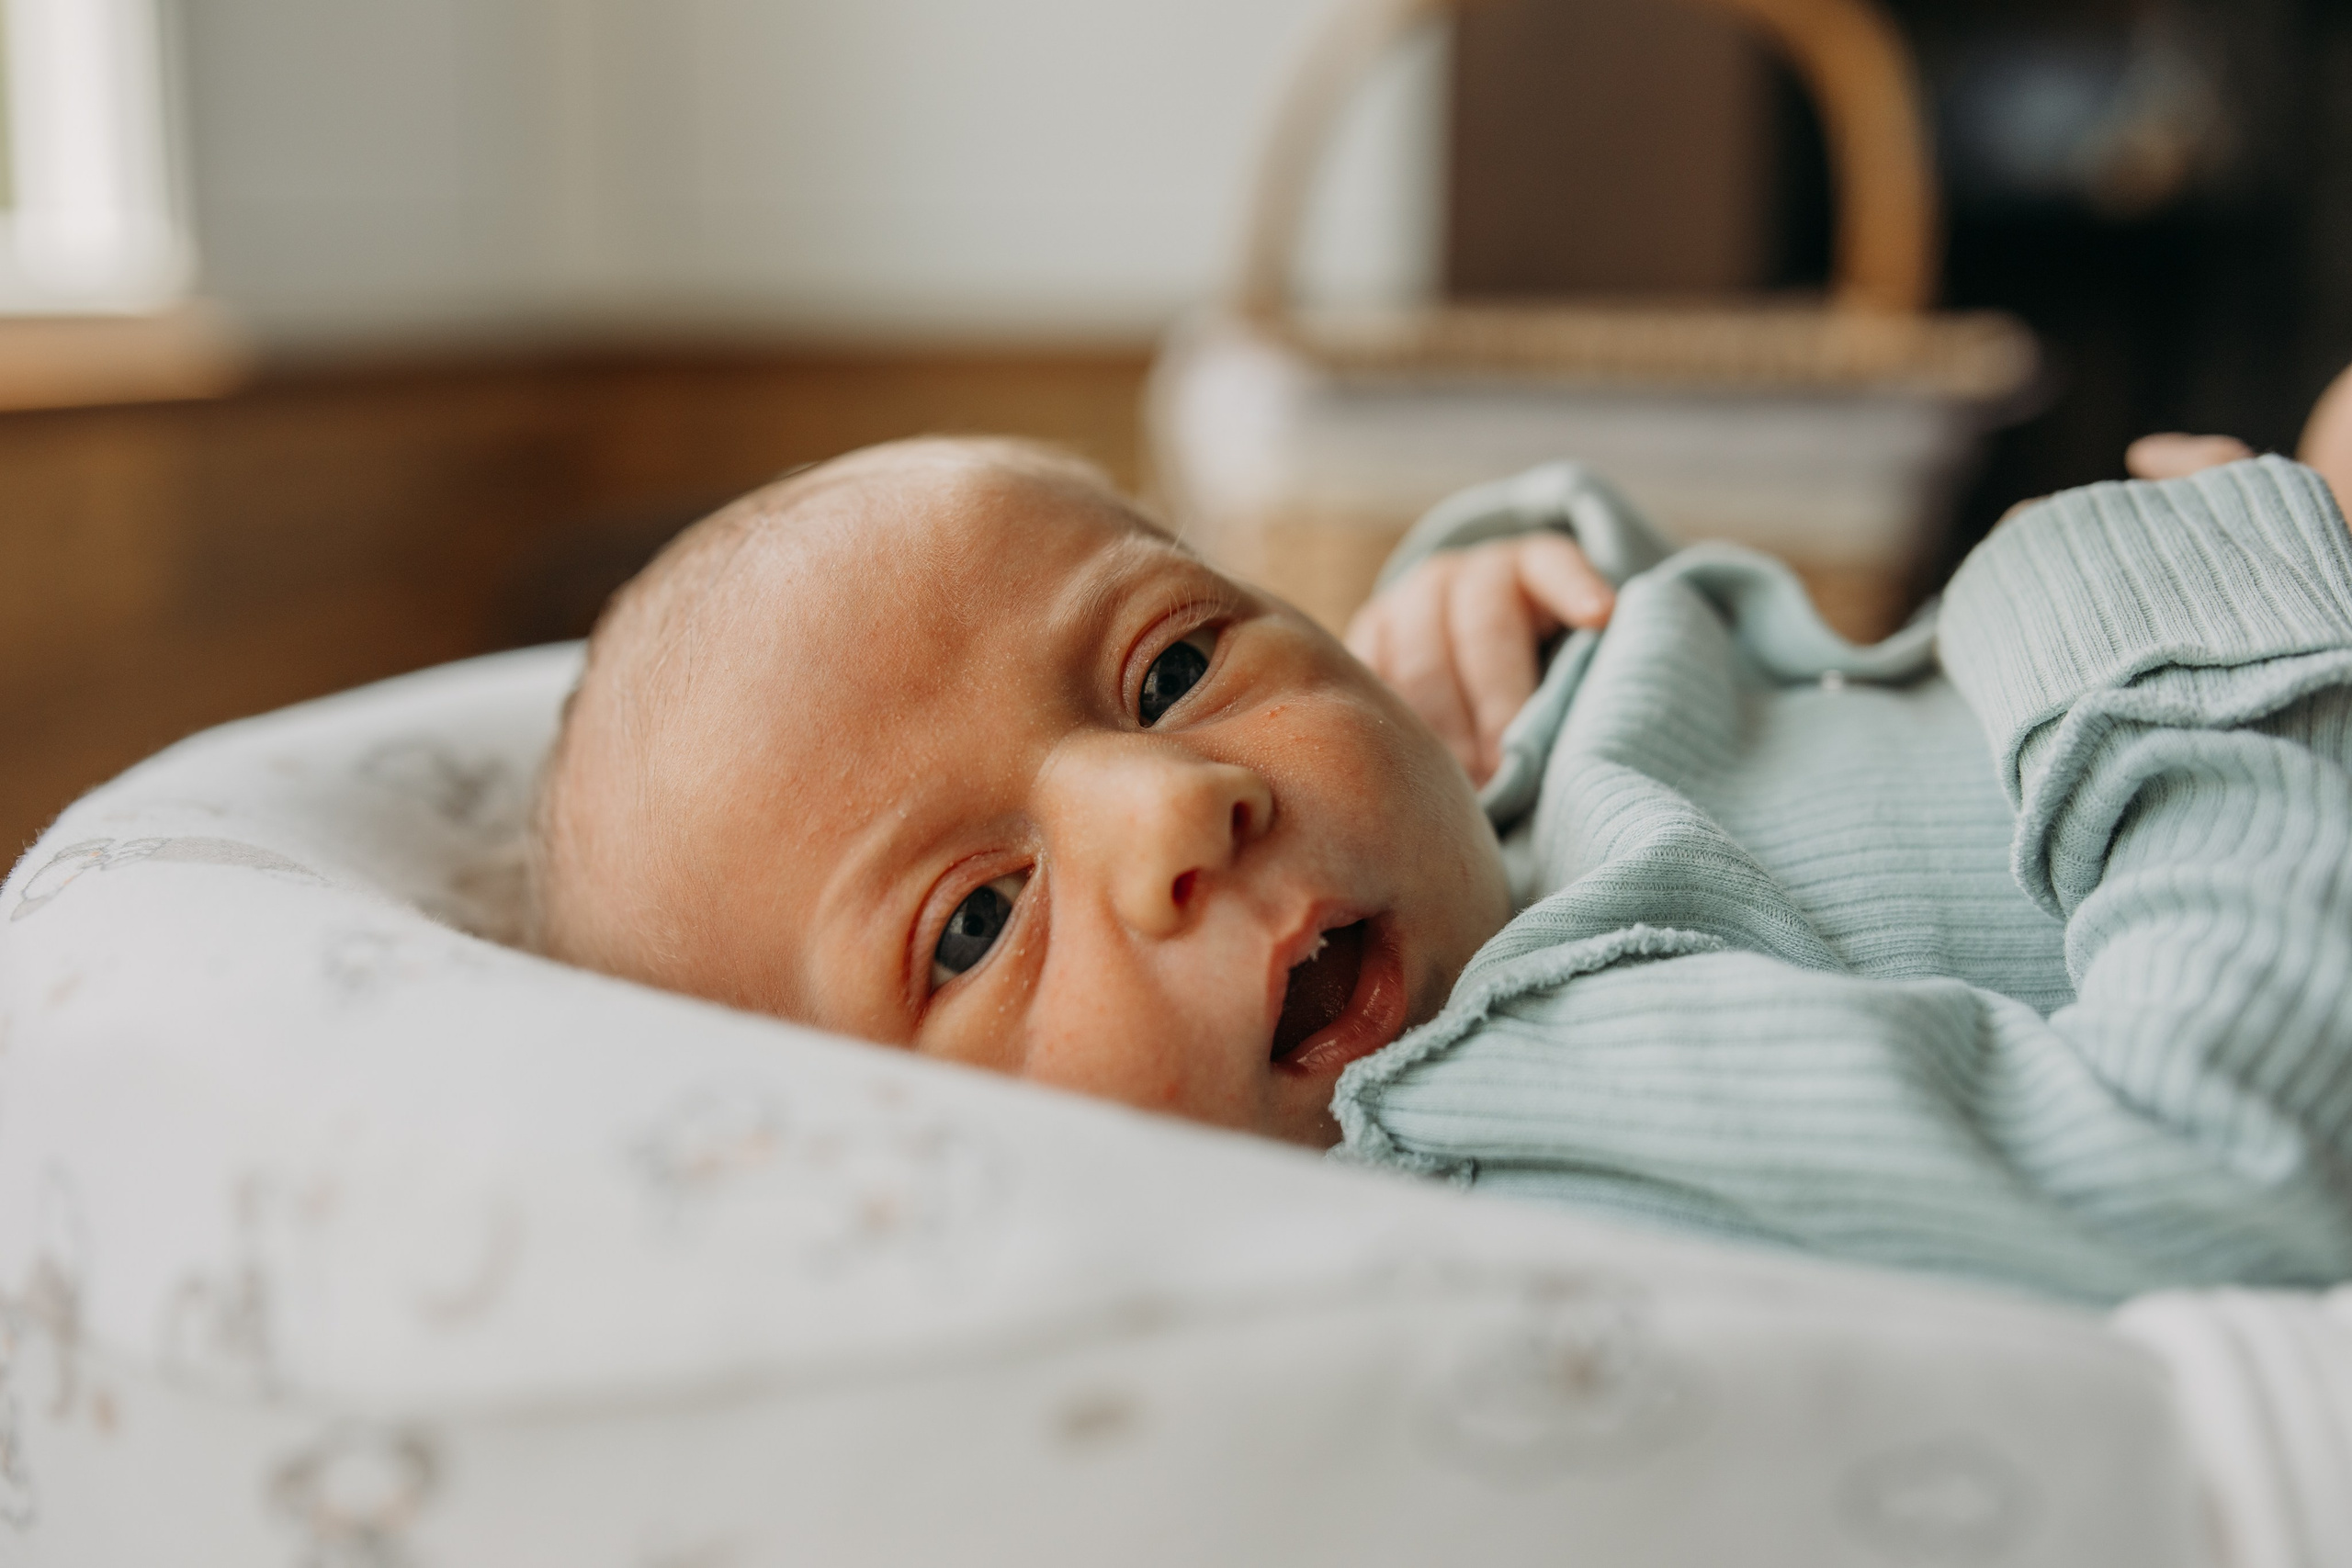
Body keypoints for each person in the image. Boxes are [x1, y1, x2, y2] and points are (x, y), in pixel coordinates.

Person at [530, 389, 2352, 1304]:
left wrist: (1472, 594)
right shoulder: (1535, 1088)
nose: (1175, 802)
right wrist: (2202, 647)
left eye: (1167, 665)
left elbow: (1703, 683)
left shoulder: (1465, 882)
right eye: (974, 921)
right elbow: (2222, 1157)